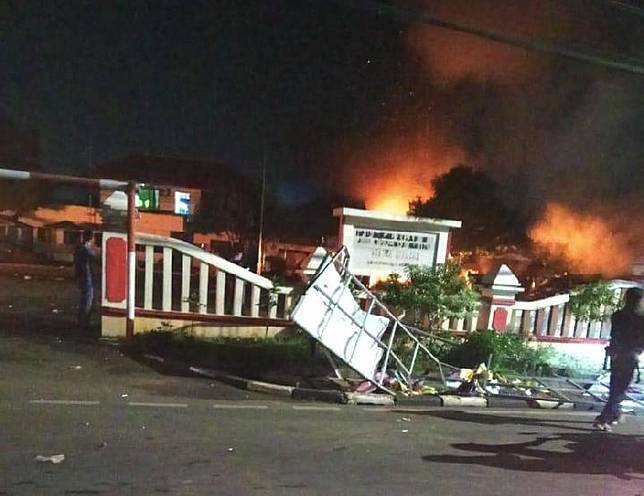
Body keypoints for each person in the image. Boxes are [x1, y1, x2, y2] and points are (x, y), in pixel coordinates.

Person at [593, 287, 644, 431]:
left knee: (615, 386)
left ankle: (615, 413)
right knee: (620, 389)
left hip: (616, 354)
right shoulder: (640, 319)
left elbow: (615, 335)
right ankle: (604, 418)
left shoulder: (618, 316)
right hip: (630, 355)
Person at [74, 230, 96, 329]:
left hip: (83, 277)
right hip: (87, 278)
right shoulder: (86, 250)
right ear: (92, 238)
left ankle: (82, 320)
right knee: (87, 300)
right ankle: (84, 321)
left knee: (85, 300)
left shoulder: (80, 250)